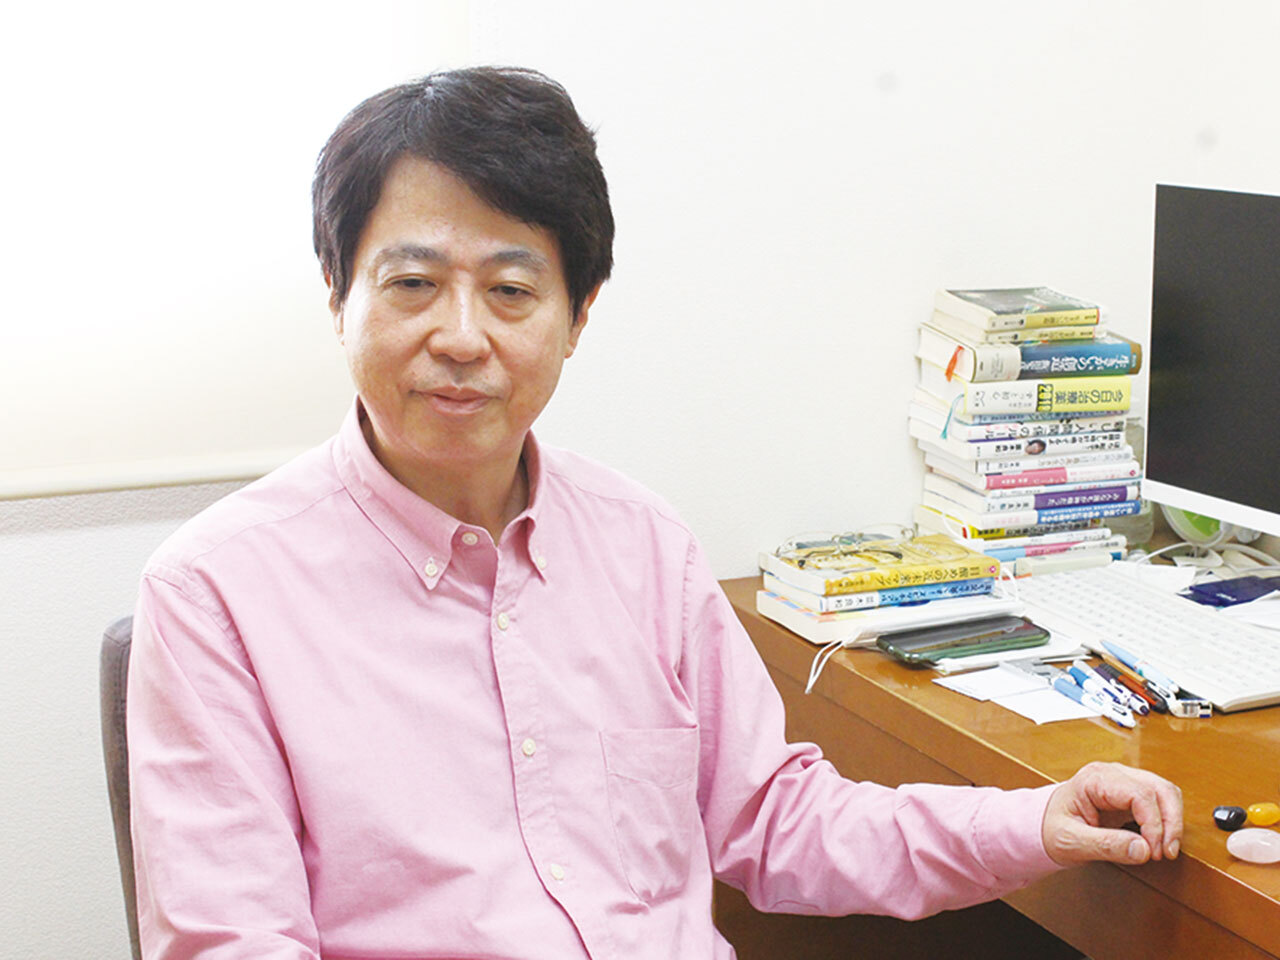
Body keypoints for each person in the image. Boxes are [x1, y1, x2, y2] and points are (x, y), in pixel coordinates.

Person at [127, 66, 1182, 960]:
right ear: (336, 293)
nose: (460, 336)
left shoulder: (640, 545)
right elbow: (236, 941)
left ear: (577, 316)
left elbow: (775, 819)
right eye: (412, 284)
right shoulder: (216, 592)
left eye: (510, 291)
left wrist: (1032, 821)